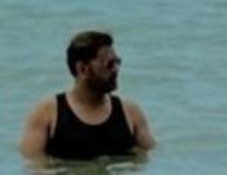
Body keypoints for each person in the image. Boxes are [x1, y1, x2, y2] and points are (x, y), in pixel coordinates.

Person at [19, 30, 156, 161]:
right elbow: (34, 165)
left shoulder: (130, 113)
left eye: (117, 63)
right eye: (109, 64)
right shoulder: (47, 113)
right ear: (82, 69)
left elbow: (149, 159)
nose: (115, 70)